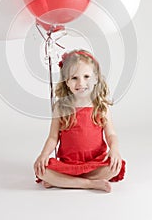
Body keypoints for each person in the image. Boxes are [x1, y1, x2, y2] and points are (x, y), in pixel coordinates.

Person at [34, 49, 126, 192]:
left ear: (96, 79)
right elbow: (53, 138)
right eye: (74, 78)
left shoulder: (101, 107)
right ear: (66, 81)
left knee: (114, 167)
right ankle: (89, 184)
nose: (81, 83)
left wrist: (114, 150)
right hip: (68, 164)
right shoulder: (61, 107)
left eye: (86, 76)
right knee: (41, 170)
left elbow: (111, 134)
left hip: (95, 163)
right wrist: (44, 154)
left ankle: (64, 182)